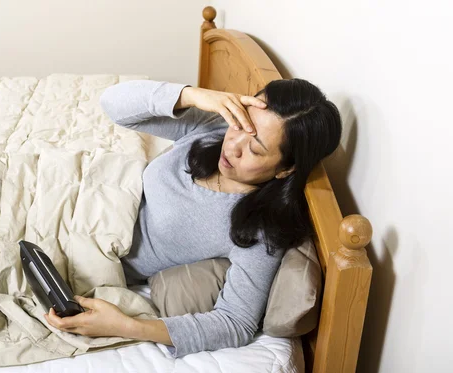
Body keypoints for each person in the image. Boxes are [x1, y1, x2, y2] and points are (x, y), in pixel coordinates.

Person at [44, 78, 342, 358]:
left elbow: (235, 323)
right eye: (239, 124)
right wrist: (194, 95)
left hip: (83, 249)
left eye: (254, 149)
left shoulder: (259, 230)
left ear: (286, 169)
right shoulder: (209, 129)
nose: (233, 146)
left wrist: (125, 326)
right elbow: (112, 104)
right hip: (69, 198)